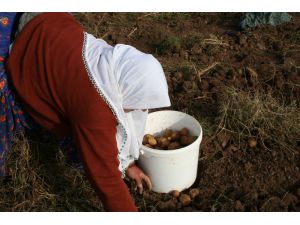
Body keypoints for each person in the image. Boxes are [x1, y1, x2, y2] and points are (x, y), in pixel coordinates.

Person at [5, 13, 171, 211]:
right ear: (129, 87)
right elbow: (105, 179)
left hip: (53, 16)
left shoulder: (109, 64)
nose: (138, 110)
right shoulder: (94, 109)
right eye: (138, 102)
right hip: (31, 32)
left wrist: (128, 166)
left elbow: (118, 122)